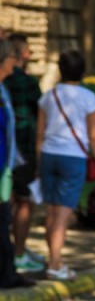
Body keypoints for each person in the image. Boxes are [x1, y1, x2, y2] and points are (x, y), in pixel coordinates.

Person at [36, 49, 95, 281]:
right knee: (63, 214)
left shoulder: (49, 96)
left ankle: (54, 260)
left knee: (51, 212)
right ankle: (55, 264)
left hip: (48, 155)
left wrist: (39, 164)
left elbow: (40, 134)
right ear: (82, 71)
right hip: (73, 158)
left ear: (60, 69)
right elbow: (94, 135)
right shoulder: (89, 98)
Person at [4, 33, 43, 273]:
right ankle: (17, 253)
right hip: (22, 149)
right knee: (23, 201)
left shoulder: (7, 83)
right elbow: (40, 114)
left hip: (9, 149)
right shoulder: (25, 83)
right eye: (27, 50)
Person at [0, 38, 35, 290]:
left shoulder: (3, 89)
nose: (16, 63)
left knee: (3, 219)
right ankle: (7, 275)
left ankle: (8, 272)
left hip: (5, 167)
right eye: (13, 58)